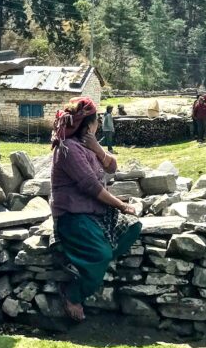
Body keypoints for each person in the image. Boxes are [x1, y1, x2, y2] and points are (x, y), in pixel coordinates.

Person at [50, 97, 141, 322]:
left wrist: (97, 148)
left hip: (96, 212)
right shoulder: (68, 149)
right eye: (97, 120)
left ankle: (86, 261)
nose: (98, 124)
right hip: (73, 215)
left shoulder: (87, 147)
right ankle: (73, 294)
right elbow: (91, 186)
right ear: (89, 125)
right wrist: (121, 205)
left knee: (133, 227)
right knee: (101, 255)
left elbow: (112, 167)